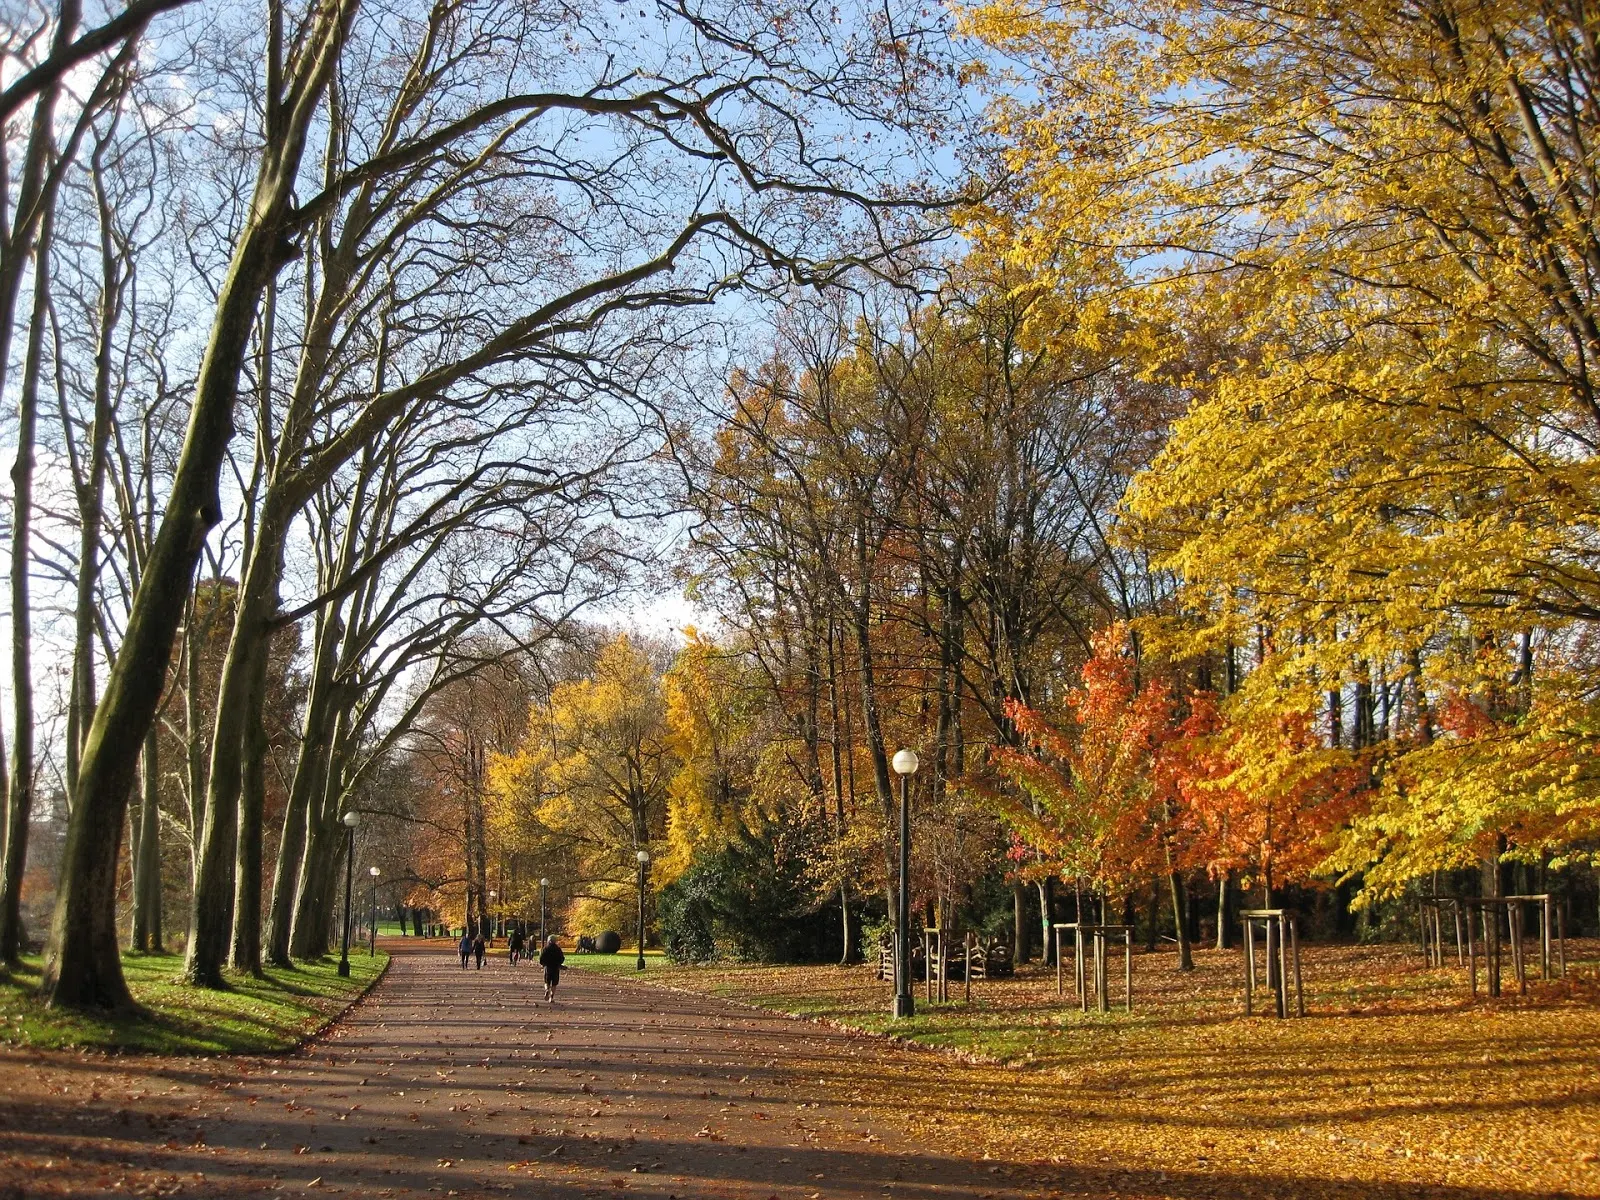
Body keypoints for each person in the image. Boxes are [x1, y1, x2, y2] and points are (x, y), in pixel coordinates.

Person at [538, 936, 565, 1002]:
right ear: (555, 941)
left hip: (547, 967)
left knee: (546, 981)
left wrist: (543, 964)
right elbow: (562, 958)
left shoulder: (545, 948)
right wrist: (559, 963)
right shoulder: (558, 949)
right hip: (555, 968)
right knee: (554, 983)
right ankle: (551, 997)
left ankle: (547, 990)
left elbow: (541, 958)